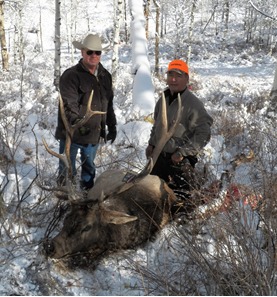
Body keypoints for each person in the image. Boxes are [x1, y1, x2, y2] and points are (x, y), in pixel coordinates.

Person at [55, 34, 117, 190]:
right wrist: (77, 123)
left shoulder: (105, 76)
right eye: (90, 52)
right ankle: (64, 198)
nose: (94, 56)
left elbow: (108, 104)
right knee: (67, 168)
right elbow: (69, 104)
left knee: (89, 168)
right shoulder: (71, 76)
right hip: (72, 133)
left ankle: (86, 198)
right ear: (82, 52)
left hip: (94, 133)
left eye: (97, 52)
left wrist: (112, 125)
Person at [145, 59, 213, 192]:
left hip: (179, 161)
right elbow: (157, 126)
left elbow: (204, 134)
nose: (173, 79)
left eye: (178, 76)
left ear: (187, 79)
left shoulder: (194, 104)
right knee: (150, 195)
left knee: (180, 200)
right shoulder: (163, 100)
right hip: (159, 157)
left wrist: (183, 152)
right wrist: (151, 144)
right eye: (171, 75)